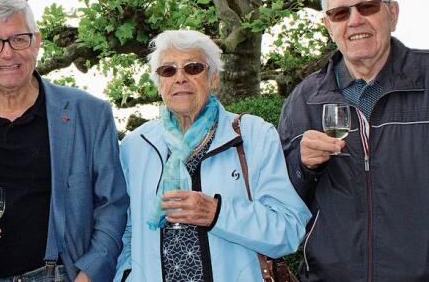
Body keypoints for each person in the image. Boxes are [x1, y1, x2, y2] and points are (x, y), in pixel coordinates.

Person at [0, 0, 128, 282]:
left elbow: (112, 204)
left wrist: (90, 274)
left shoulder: (90, 112)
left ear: (37, 42)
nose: (7, 53)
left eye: (18, 39)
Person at [115, 30, 310, 282]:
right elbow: (125, 232)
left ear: (214, 78)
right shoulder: (135, 146)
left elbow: (288, 229)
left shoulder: (254, 135)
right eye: (168, 70)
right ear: (159, 82)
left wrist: (217, 213)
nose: (180, 78)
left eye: (193, 68)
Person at [278, 0, 429, 281]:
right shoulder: (304, 99)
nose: (355, 20)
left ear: (393, 13)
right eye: (340, 12)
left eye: (368, 6)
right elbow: (280, 200)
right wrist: (300, 164)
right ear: (328, 25)